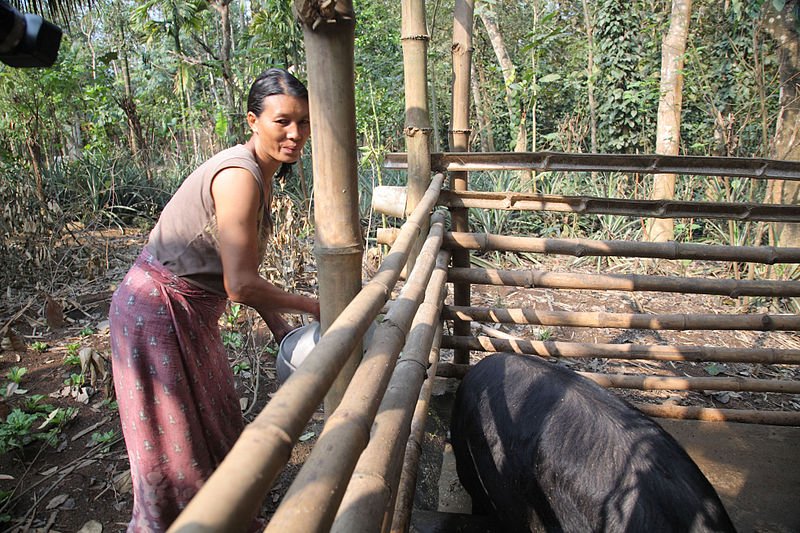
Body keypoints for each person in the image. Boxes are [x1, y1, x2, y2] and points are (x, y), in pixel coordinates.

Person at [108, 68, 320, 532]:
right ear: (252, 121)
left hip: (187, 314)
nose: (295, 134)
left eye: (303, 122)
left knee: (217, 418)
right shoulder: (239, 176)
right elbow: (239, 286)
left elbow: (243, 276)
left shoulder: (263, 176)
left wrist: (282, 327)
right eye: (282, 121)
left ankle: (227, 516)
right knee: (175, 445)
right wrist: (315, 307)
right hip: (156, 312)